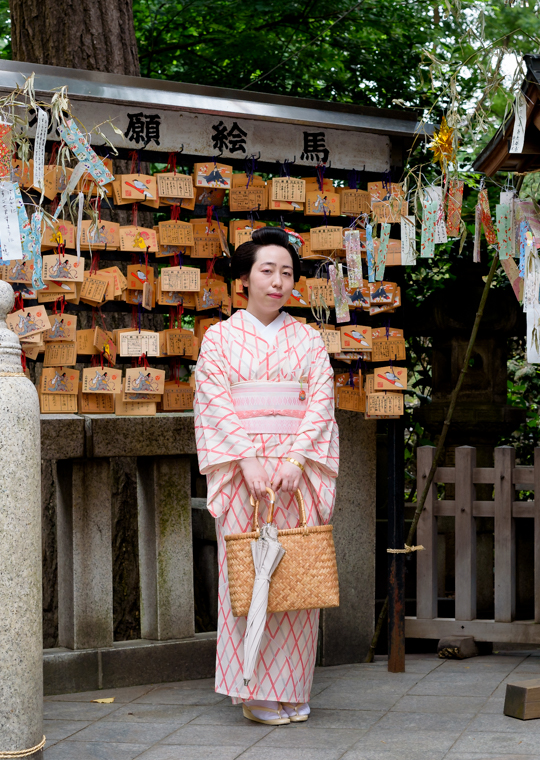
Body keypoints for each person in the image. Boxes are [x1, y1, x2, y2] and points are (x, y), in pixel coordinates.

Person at [194, 227, 340, 726]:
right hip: (243, 475)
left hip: (295, 475)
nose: (278, 281)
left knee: (298, 581)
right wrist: (247, 460)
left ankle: (292, 687)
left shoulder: (308, 340)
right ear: (244, 279)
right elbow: (214, 402)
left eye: (286, 273)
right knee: (249, 578)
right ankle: (252, 688)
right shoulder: (219, 339)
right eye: (267, 270)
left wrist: (298, 461)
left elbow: (320, 404)